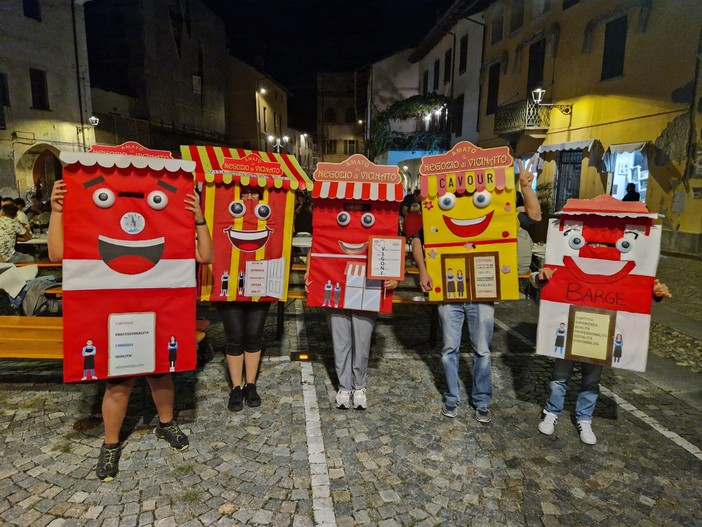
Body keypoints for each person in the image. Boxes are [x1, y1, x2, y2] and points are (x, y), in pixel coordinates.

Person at [47, 179, 214, 482]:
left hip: (156, 315)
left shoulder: (170, 232)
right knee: (119, 383)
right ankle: (110, 444)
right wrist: (57, 211)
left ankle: (166, 423)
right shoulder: (93, 228)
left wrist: (199, 219)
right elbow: (57, 254)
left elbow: (206, 255)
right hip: (116, 317)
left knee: (161, 373)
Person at [412, 166, 541, 423]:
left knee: (482, 349)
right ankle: (452, 397)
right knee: (449, 349)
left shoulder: (494, 206)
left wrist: (525, 187)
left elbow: (534, 216)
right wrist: (424, 271)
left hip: (482, 294)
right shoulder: (440, 206)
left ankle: (482, 399)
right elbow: (417, 239)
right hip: (449, 293)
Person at [534, 267, 671, 444]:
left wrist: (654, 293)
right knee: (560, 377)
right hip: (571, 326)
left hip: (599, 331)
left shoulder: (618, 262)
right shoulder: (566, 256)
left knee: (591, 381)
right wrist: (540, 276)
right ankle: (551, 412)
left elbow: (632, 289)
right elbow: (537, 279)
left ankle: (584, 418)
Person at [305, 203, 399, 410]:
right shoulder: (331, 216)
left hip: (368, 288)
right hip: (335, 282)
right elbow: (318, 245)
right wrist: (310, 270)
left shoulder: (377, 218)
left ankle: (359, 385)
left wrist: (394, 278)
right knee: (340, 340)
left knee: (362, 341)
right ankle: (344, 386)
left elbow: (390, 248)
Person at [217, 186, 271, 412]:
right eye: (244, 193)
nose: (249, 198)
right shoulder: (223, 216)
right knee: (235, 335)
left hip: (260, 281)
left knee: (254, 335)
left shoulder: (270, 218)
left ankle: (251, 384)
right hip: (229, 283)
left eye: (255, 193)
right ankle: (236, 388)